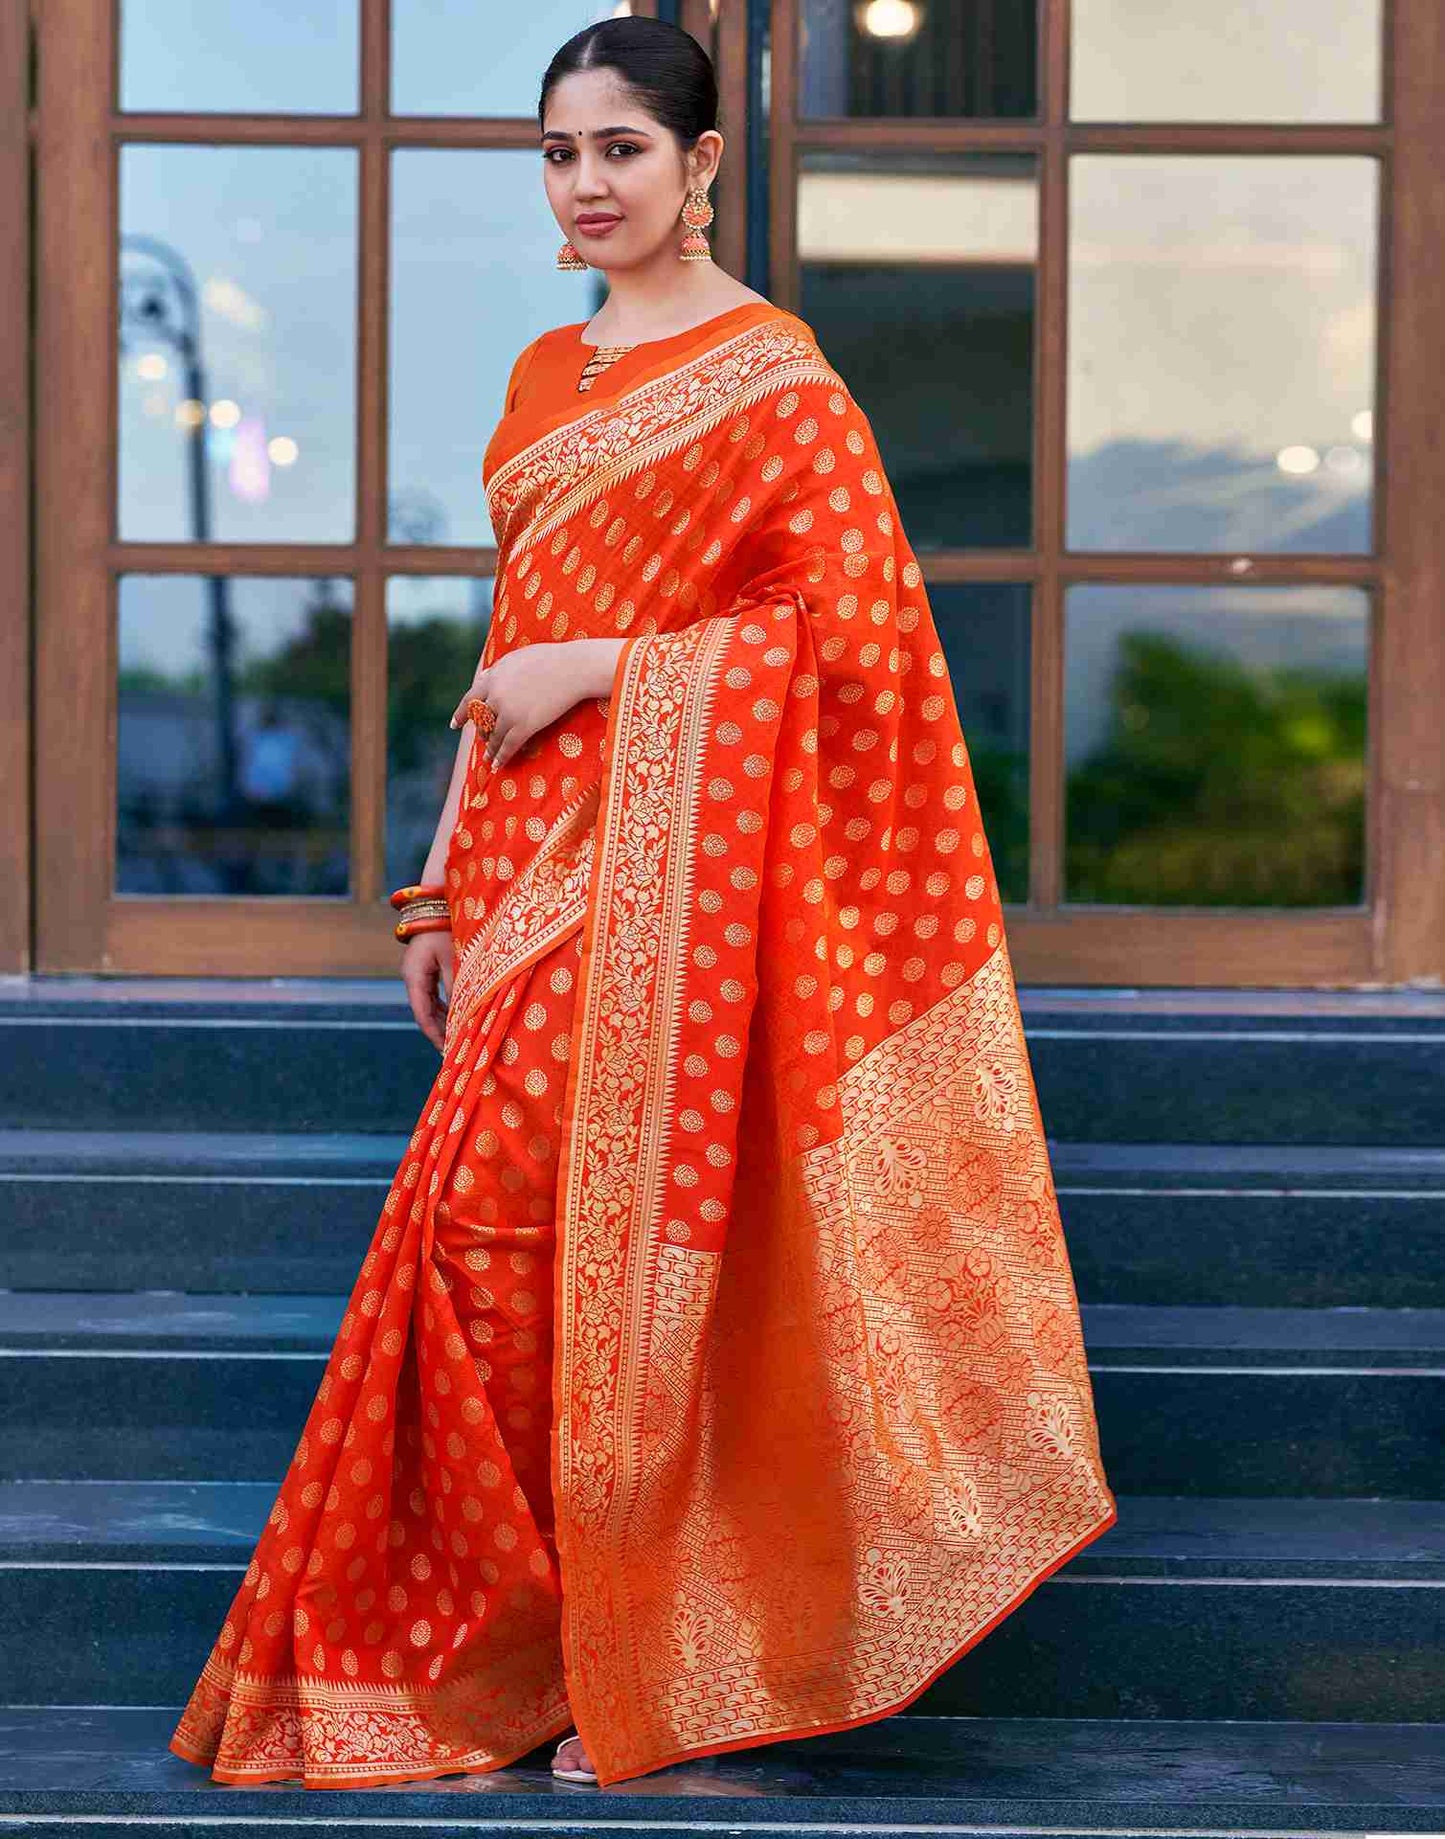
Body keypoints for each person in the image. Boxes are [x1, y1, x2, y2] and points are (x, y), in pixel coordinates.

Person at [167, 14, 1117, 1794]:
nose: (586, 185)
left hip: (686, 892)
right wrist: (435, 888)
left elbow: (851, 649)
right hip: (522, 861)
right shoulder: (547, 373)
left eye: (620, 149)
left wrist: (609, 664)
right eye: (559, 153)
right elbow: (504, 646)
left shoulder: (777, 382)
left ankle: (642, 1657)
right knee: (487, 1251)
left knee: (624, 1251)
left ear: (700, 165)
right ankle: (531, 1651)